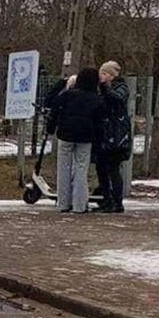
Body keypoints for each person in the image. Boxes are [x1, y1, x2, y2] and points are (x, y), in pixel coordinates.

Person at [52, 66, 103, 214]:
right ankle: (80, 205)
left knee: (63, 169)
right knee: (81, 170)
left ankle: (63, 203)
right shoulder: (96, 99)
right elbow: (99, 121)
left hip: (66, 134)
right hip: (86, 137)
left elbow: (54, 105)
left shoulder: (68, 95)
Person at [96, 60, 132, 214]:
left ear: (110, 75)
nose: (101, 77)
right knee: (101, 168)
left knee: (113, 168)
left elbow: (116, 99)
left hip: (116, 135)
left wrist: (105, 88)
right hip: (105, 134)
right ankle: (106, 199)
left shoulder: (121, 87)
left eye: (104, 74)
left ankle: (117, 201)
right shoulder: (102, 90)